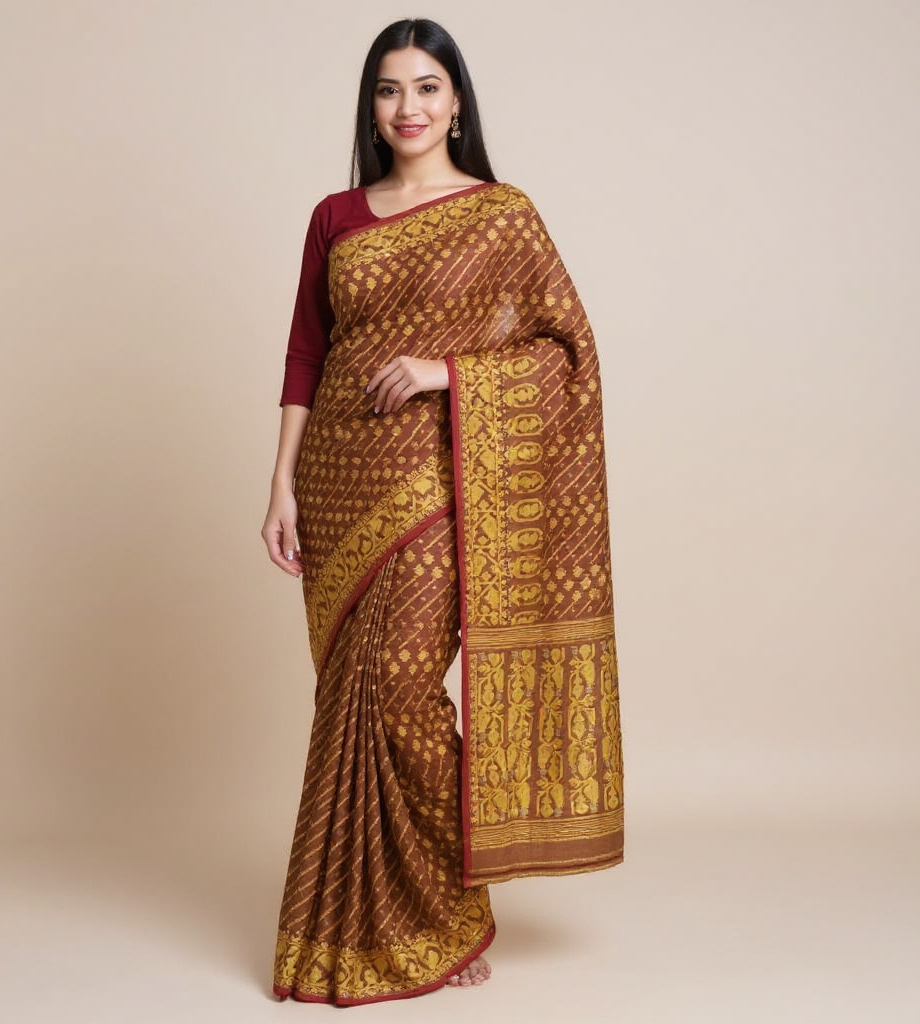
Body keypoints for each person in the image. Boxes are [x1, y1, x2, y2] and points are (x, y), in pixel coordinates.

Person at [262, 18, 624, 1006]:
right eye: (389, 89)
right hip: (338, 482)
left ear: (457, 101)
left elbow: (566, 353)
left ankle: (443, 909)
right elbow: (305, 352)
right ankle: (378, 918)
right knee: (351, 705)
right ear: (371, 106)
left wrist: (445, 371)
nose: (407, 107)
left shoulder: (502, 216)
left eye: (426, 87)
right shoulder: (336, 216)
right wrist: (280, 483)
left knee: (399, 691)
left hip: (438, 479)